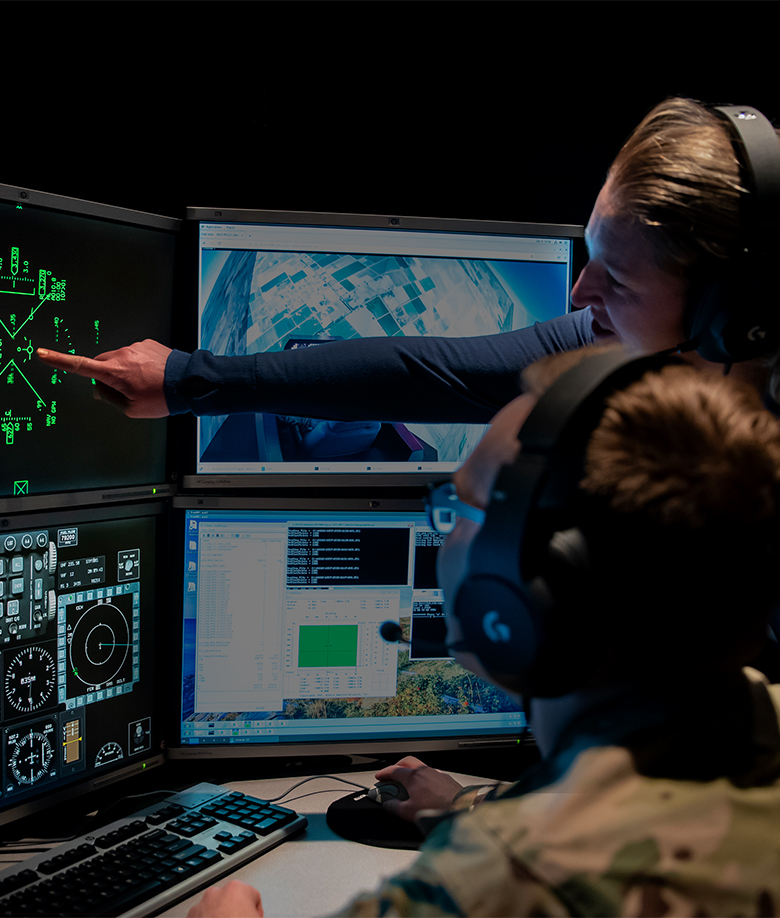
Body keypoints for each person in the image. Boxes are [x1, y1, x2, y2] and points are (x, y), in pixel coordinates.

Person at [185, 345, 780, 917]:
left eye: (457, 508)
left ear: (530, 582)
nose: (443, 535)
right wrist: (470, 804)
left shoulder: (503, 883)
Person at [35, 98, 780, 419]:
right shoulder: (633, 342)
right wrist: (190, 380)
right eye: (589, 254)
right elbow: (434, 372)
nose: (581, 292)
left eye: (616, 281)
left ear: (728, 312)